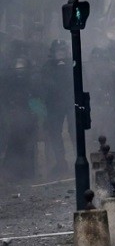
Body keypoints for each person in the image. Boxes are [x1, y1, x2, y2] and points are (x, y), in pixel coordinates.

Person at [41, 40, 74, 176]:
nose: (60, 54)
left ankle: (80, 158)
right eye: (58, 51)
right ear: (53, 52)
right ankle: (61, 163)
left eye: (62, 50)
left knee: (75, 131)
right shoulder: (47, 67)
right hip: (54, 104)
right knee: (54, 133)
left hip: (71, 103)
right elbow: (44, 85)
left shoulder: (73, 64)